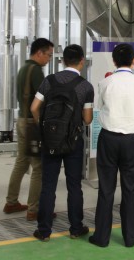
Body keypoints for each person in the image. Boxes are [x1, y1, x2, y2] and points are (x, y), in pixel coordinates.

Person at [29, 44, 94, 242]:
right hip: (73, 142)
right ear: (82, 61)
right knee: (74, 185)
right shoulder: (85, 86)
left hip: (50, 140)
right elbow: (88, 119)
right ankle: (76, 228)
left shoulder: (49, 81)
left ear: (63, 60)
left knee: (48, 185)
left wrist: (45, 127)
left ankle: (44, 231)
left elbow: (34, 107)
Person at [89, 44, 134, 248]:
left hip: (109, 138)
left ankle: (101, 237)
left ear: (114, 61)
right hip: (132, 139)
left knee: (106, 188)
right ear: (133, 61)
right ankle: (130, 237)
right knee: (130, 189)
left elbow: (98, 108)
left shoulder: (105, 82)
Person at [3, 38, 54, 221]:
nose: (49, 59)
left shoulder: (23, 68)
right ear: (39, 53)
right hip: (33, 123)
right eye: (48, 55)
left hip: (21, 120)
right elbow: (42, 99)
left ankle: (11, 202)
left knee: (21, 162)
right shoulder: (36, 71)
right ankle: (34, 209)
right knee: (38, 167)